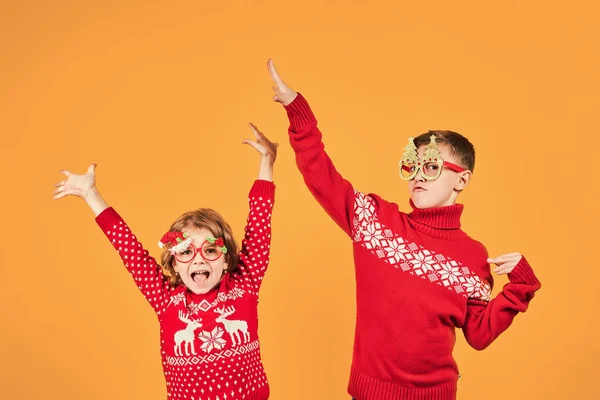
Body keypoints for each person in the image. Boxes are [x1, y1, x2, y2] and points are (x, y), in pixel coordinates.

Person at [266, 59, 541, 400]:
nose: (418, 175)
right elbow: (320, 174)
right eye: (411, 166)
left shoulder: (473, 256)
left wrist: (520, 288)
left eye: (432, 166)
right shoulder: (375, 221)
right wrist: (298, 111)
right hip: (367, 393)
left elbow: (480, 334)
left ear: (462, 179)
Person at [53, 123, 278, 400]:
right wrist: (91, 195)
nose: (198, 260)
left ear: (227, 259)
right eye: (185, 252)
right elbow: (129, 249)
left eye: (209, 250)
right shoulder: (165, 299)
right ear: (173, 263)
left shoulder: (245, 286)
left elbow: (259, 227)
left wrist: (267, 163)